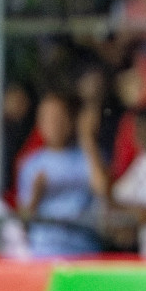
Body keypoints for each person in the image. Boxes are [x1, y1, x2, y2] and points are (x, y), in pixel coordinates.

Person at [16, 92, 109, 257]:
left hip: (85, 251)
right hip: (43, 254)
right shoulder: (30, 164)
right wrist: (36, 196)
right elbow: (22, 220)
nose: (55, 124)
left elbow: (103, 190)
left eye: (60, 116)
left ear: (72, 119)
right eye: (49, 118)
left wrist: (88, 139)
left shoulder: (91, 156)